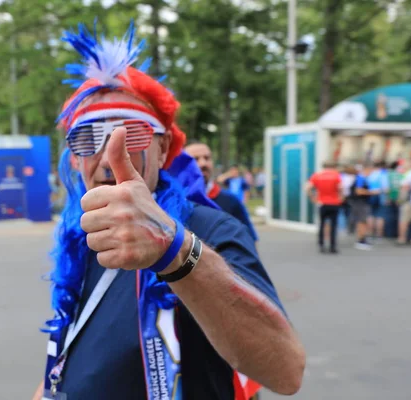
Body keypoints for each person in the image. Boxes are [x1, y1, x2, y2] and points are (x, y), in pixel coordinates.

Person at [33, 22, 304, 400]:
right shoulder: (83, 236)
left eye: (133, 134)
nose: (111, 161)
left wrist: (174, 249)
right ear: (74, 158)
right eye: (88, 137)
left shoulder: (209, 226)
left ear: (163, 150)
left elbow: (285, 370)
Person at [185, 140, 259, 242]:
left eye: (207, 158)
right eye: (195, 159)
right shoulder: (172, 202)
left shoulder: (231, 201)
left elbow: (249, 240)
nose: (203, 163)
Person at [306, 161, 343, 253]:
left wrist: (313, 198)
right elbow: (341, 188)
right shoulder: (336, 175)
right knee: (333, 225)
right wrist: (341, 198)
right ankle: (332, 246)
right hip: (334, 203)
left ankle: (321, 244)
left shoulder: (317, 175)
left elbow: (308, 187)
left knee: (322, 224)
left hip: (322, 203)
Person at [351, 163, 380, 250]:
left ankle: (362, 238)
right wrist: (372, 192)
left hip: (361, 202)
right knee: (362, 220)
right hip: (360, 202)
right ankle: (361, 239)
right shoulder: (361, 178)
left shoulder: (362, 178)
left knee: (362, 221)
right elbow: (358, 191)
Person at [366, 161, 390, 240]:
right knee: (380, 216)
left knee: (370, 216)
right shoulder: (383, 175)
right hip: (381, 197)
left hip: (370, 196)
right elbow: (386, 189)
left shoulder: (370, 175)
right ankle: (379, 235)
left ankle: (369, 233)